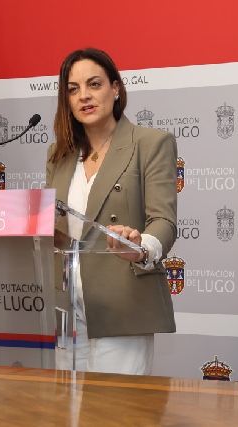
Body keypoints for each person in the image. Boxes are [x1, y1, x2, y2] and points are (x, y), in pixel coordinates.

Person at [45, 48, 178, 375]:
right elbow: (53, 226)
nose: (84, 96)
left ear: (115, 88)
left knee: (112, 404)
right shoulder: (58, 154)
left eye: (94, 84)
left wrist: (141, 247)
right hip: (65, 305)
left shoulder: (150, 143)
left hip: (121, 302)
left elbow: (164, 221)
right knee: (65, 403)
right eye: (73, 89)